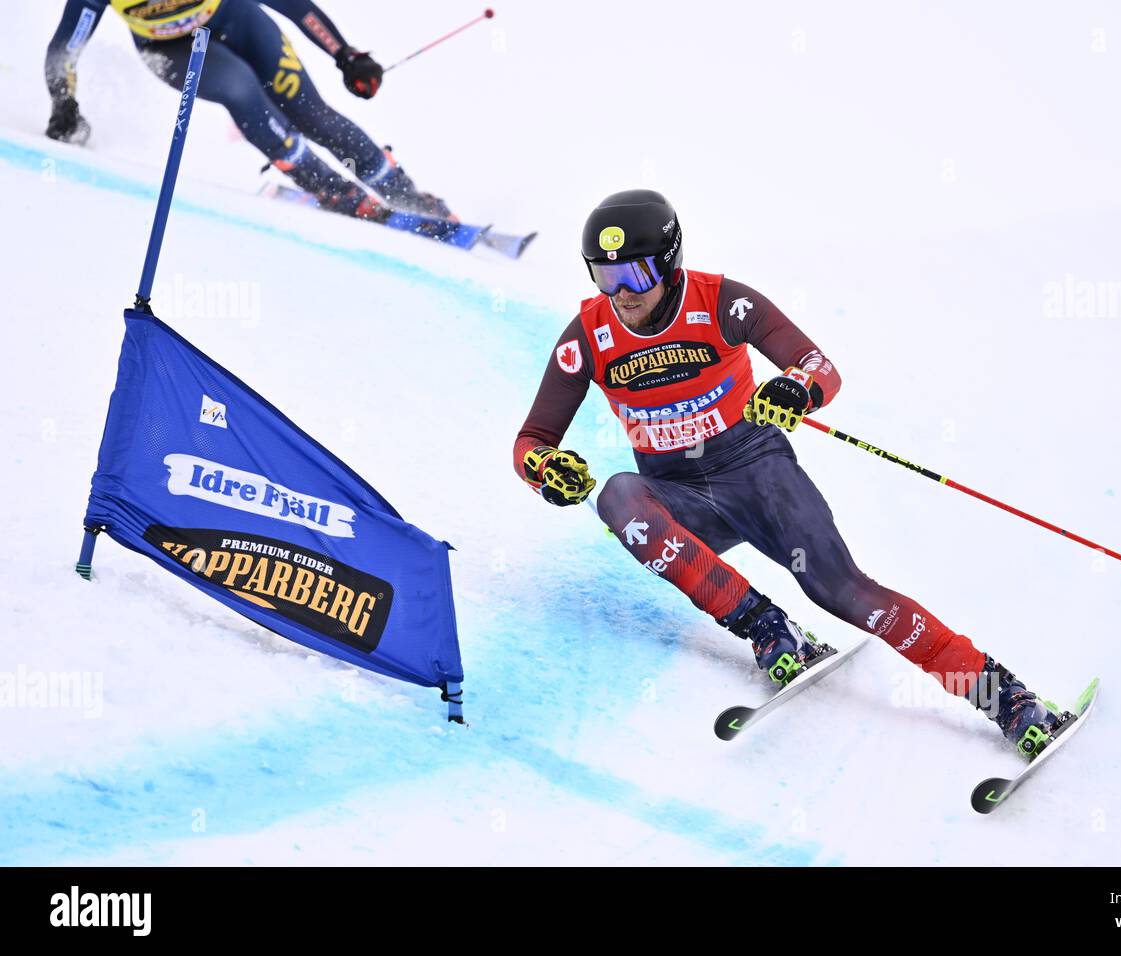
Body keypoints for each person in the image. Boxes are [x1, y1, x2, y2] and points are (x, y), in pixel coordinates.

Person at [512, 189, 1066, 756]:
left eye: (635, 273)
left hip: (759, 476)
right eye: (606, 277)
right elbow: (531, 441)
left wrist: (795, 390)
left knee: (845, 592)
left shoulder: (724, 302)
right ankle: (768, 628)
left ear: (670, 260)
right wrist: (542, 467)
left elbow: (821, 369)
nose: (621, 293)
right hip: (683, 501)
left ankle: (1008, 698)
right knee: (619, 497)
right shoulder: (588, 337)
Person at [43, 0, 455, 221]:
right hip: (170, 49)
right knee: (241, 87)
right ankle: (332, 189)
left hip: (233, 14)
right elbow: (65, 47)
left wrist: (345, 54)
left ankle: (402, 193)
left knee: (310, 112)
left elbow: (292, 5)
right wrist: (64, 103)